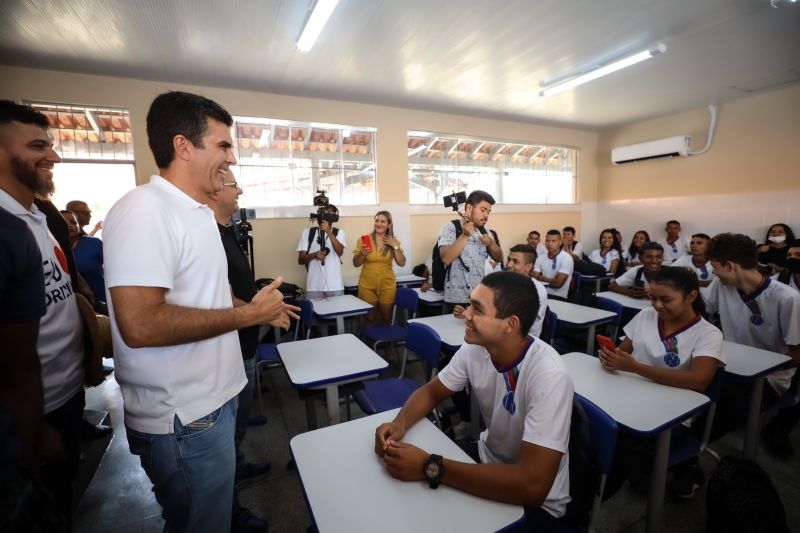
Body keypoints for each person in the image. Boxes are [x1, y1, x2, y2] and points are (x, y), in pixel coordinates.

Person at [103, 91, 297, 533]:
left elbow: (208, 297)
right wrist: (248, 317)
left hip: (214, 400)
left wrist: (256, 309)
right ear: (183, 146)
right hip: (184, 418)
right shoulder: (145, 211)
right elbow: (140, 323)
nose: (231, 158)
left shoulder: (197, 215)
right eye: (223, 145)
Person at [374, 271, 574, 531]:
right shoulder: (475, 348)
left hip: (536, 505)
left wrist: (430, 466)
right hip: (487, 457)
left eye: (477, 309)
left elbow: (532, 487)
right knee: (403, 498)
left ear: (510, 324)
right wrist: (399, 424)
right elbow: (432, 392)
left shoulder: (549, 375)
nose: (466, 314)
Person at [0, 100, 85, 525]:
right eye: (38, 146)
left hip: (63, 393)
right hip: (32, 411)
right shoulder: (4, 227)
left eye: (50, 145)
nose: (52, 156)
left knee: (64, 496)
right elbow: (10, 359)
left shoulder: (39, 215)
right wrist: (30, 428)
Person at [599, 266, 724, 498]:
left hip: (671, 414)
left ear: (691, 297)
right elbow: (624, 352)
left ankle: (595, 500)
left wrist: (635, 367)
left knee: (621, 444)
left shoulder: (708, 334)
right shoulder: (647, 316)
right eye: (652, 298)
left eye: (665, 299)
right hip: (629, 396)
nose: (657, 305)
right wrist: (611, 357)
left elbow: (698, 381)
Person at [207, 170, 271, 532]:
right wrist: (256, 311)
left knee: (238, 425)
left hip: (244, 340)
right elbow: (216, 295)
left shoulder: (228, 230)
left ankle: (238, 464)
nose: (240, 190)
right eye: (234, 185)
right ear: (216, 191)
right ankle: (229, 512)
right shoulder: (208, 235)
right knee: (229, 430)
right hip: (231, 345)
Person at [703, 233, 800, 446]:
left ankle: (681, 461)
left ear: (730, 265)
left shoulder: (787, 298)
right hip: (727, 365)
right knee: (691, 394)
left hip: (769, 377)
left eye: (714, 266)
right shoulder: (721, 286)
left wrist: (753, 366)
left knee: (718, 414)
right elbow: (700, 313)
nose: (713, 272)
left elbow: (796, 355)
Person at [455, 244, 548, 337]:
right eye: (509, 259)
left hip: (521, 341)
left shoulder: (537, 291)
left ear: (529, 267)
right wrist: (470, 313)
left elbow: (520, 325)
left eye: (515, 261)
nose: (509, 265)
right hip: (500, 334)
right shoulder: (504, 283)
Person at [437, 190, 502, 313]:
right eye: (483, 210)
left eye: (488, 212)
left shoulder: (485, 231)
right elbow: (446, 258)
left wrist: (492, 243)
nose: (486, 215)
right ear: (469, 208)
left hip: (478, 298)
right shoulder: (451, 228)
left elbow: (499, 258)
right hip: (455, 299)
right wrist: (465, 235)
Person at [353, 210, 405, 327]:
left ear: (389, 224)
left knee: (386, 318)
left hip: (387, 286)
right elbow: (356, 263)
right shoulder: (363, 240)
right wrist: (361, 254)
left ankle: (386, 345)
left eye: (383, 221)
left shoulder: (394, 241)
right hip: (367, 286)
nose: (379, 224)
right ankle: (370, 345)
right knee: (370, 317)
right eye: (377, 221)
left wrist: (395, 246)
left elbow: (401, 263)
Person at [296, 204, 346, 299]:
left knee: (336, 312)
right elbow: (301, 260)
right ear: (318, 215)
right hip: (314, 287)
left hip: (335, 285)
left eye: (330, 214)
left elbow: (340, 252)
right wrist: (314, 255)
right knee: (315, 313)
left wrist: (328, 231)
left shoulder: (340, 233)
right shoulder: (307, 233)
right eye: (324, 213)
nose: (327, 216)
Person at [61, 209, 106, 311]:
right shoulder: (51, 248)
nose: (70, 225)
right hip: (72, 310)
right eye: (64, 222)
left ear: (79, 226)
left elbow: (116, 269)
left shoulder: (94, 244)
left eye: (73, 222)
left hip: (104, 305)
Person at [532, 229, 574, 300]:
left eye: (553, 241)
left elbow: (558, 284)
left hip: (558, 296)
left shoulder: (566, 258)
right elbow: (534, 277)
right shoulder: (541, 257)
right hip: (541, 293)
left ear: (560, 243)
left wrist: (540, 277)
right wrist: (552, 280)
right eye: (547, 240)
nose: (550, 244)